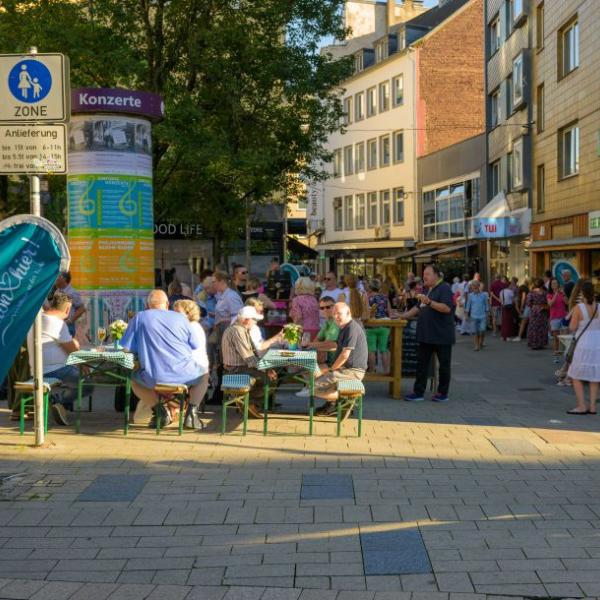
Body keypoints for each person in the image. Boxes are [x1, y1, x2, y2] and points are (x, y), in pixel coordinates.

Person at [121, 290, 207, 429]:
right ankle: (192, 413)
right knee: (204, 375)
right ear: (167, 304)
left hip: (153, 376)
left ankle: (160, 411)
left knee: (134, 381)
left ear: (147, 305)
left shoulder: (139, 318)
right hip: (184, 375)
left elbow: (126, 349)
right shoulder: (181, 318)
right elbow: (195, 345)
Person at [26, 291, 81, 426]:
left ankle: (59, 406)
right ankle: (57, 401)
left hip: (36, 370)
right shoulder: (58, 323)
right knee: (86, 383)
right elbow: (72, 351)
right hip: (56, 370)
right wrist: (82, 361)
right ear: (68, 309)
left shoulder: (37, 319)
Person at [402, 264, 455, 403]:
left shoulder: (444, 288)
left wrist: (430, 302)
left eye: (428, 274)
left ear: (436, 275)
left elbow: (446, 308)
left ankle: (442, 393)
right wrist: (402, 316)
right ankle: (418, 392)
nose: (424, 276)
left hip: (441, 335)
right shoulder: (427, 289)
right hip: (426, 334)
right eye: (424, 274)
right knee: (421, 365)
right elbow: (418, 307)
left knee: (443, 365)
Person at [310, 303, 368, 417]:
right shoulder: (344, 327)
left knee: (313, 388)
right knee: (313, 372)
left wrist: (331, 369)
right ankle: (334, 405)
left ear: (348, 313)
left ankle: (345, 400)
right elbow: (336, 345)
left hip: (352, 371)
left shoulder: (351, 328)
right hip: (345, 368)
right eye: (334, 314)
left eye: (339, 314)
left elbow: (345, 355)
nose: (336, 316)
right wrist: (312, 345)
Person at [221, 306, 279, 418]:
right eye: (255, 320)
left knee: (270, 375)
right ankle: (249, 402)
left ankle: (247, 402)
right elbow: (249, 358)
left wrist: (266, 367)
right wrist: (266, 369)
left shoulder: (239, 329)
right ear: (247, 320)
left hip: (237, 367)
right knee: (271, 380)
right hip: (237, 369)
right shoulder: (238, 331)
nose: (255, 322)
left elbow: (252, 356)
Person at [172, 299, 209, 429]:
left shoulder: (191, 327)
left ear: (188, 313)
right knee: (203, 376)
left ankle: (188, 413)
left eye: (178, 312)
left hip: (185, 369)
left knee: (202, 375)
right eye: (173, 311)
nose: (174, 314)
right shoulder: (193, 327)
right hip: (187, 370)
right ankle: (191, 414)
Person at [566, 280, 600, 415]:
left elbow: (572, 328)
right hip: (597, 344)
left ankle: (581, 406)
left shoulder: (578, 308)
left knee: (576, 375)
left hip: (584, 344)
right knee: (594, 375)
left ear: (581, 293)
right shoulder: (599, 307)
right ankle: (592, 407)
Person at [366, 278, 392, 373]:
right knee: (384, 349)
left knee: (371, 350)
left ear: (369, 287)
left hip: (371, 326)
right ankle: (386, 371)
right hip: (384, 326)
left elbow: (365, 313)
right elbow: (390, 313)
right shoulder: (385, 298)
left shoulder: (368, 298)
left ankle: (372, 370)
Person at [54, 271, 86, 336]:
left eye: (57, 276)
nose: (55, 279)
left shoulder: (72, 292)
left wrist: (70, 321)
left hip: (67, 327)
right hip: (57, 326)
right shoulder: (57, 291)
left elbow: (82, 308)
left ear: (64, 278)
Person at [525, 278, 549, 350]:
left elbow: (528, 303)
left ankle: (533, 343)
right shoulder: (545, 292)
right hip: (543, 310)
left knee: (533, 326)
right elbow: (548, 302)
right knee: (542, 326)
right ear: (542, 285)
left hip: (534, 310)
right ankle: (541, 343)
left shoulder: (531, 293)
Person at [465, 281, 489, 351]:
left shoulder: (484, 295)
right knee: (476, 332)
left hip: (482, 316)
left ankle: (481, 342)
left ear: (478, 287)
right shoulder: (470, 295)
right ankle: (477, 345)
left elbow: (486, 305)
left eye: (475, 287)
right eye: (473, 287)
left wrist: (487, 313)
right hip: (473, 316)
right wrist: (466, 315)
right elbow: (468, 306)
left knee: (482, 330)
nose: (474, 288)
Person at [547, 277, 568, 356]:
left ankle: (565, 354)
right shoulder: (549, 294)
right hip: (554, 318)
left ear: (558, 284)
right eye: (553, 283)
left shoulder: (562, 293)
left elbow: (567, 303)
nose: (555, 285)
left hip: (563, 317)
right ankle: (556, 355)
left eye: (556, 283)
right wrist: (556, 293)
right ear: (551, 285)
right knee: (556, 338)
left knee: (564, 338)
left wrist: (564, 293)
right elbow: (550, 304)